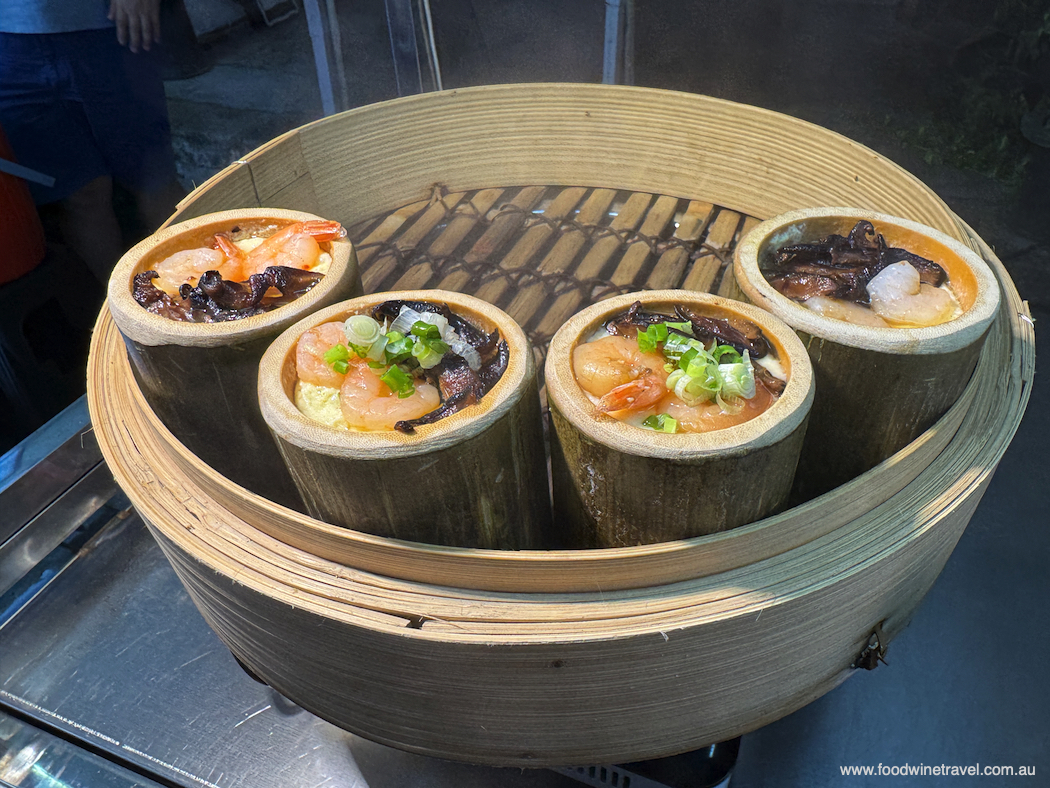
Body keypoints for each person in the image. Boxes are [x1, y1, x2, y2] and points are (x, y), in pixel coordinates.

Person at [0, 0, 186, 283]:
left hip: (108, 26)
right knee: (81, 196)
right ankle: (122, 316)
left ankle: (214, 299)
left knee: (154, 182)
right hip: (10, 47)